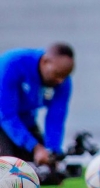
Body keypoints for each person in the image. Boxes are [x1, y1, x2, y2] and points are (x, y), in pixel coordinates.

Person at [0, 44, 75, 178]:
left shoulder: (63, 81)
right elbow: (6, 114)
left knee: (47, 172)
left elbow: (56, 118)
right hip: (4, 120)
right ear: (45, 61)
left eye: (64, 76)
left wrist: (52, 151)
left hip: (25, 122)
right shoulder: (11, 64)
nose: (60, 81)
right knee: (7, 168)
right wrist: (35, 147)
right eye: (57, 75)